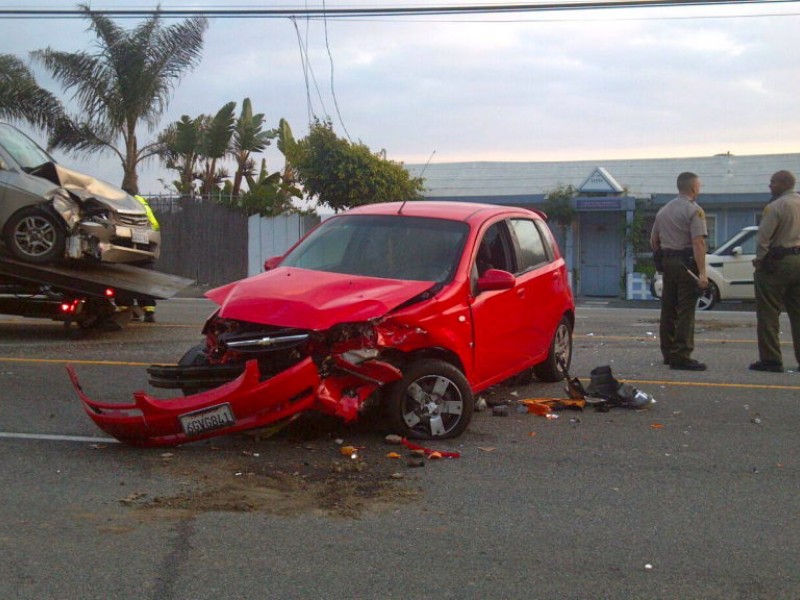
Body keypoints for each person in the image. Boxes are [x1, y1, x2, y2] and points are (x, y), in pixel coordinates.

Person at [650, 172, 709, 371]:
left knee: (668, 308)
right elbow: (698, 242)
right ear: (693, 188)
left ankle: (668, 352)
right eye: (698, 185)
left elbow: (653, 241)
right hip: (686, 263)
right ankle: (682, 354)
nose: (699, 188)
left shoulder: (664, 210)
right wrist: (702, 273)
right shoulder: (694, 211)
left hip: (668, 262)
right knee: (686, 309)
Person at [749, 170, 800, 372]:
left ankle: (771, 359)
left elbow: (763, 238)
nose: (770, 186)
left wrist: (760, 262)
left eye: (772, 182)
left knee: (768, 312)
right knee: (798, 313)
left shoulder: (776, 206)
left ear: (782, 183)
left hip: (779, 261)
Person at [130, 195, 160, 323]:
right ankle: (148, 311)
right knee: (145, 281)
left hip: (130, 248)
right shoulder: (143, 204)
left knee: (126, 280)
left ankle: (129, 310)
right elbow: (155, 226)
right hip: (147, 247)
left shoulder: (125, 202)